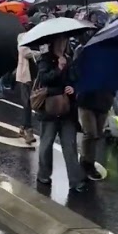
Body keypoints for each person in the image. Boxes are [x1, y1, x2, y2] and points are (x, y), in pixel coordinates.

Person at [33, 38, 87, 193]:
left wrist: (72, 88)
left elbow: (76, 79)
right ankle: (43, 174)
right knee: (46, 143)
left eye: (65, 41)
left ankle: (75, 181)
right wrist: (58, 68)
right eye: (60, 41)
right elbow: (44, 79)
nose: (62, 44)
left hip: (67, 110)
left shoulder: (70, 59)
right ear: (53, 43)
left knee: (69, 145)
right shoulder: (45, 59)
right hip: (50, 109)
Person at [72, 47, 116, 182]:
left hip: (104, 100)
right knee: (90, 133)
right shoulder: (83, 50)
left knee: (97, 134)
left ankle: (86, 158)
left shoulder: (114, 54)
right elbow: (76, 71)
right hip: (87, 99)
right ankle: (88, 163)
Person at [14, 44, 39, 145]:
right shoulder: (22, 37)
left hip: (34, 76)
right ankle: (28, 131)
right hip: (25, 77)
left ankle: (23, 127)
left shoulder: (37, 38)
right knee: (27, 103)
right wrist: (41, 53)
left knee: (29, 102)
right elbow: (26, 53)